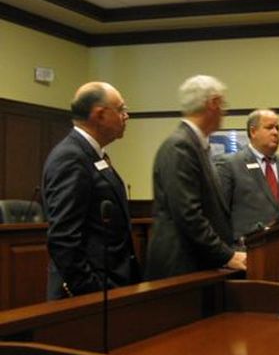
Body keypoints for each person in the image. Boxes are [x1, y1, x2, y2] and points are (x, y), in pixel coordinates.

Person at [42, 82, 140, 299]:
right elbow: (63, 237)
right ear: (100, 114)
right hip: (87, 296)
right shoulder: (71, 157)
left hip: (108, 285)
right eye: (121, 109)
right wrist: (91, 290)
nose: (127, 116)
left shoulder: (92, 154)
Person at [145, 75, 246, 280]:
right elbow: (188, 214)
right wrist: (227, 256)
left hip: (196, 263)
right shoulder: (181, 146)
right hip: (182, 268)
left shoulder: (194, 144)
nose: (224, 112)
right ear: (213, 103)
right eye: (223, 104)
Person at [217, 109, 279, 242]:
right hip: (247, 252)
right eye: (269, 127)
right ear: (253, 131)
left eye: (277, 128)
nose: (275, 132)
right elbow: (218, 214)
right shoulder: (230, 165)